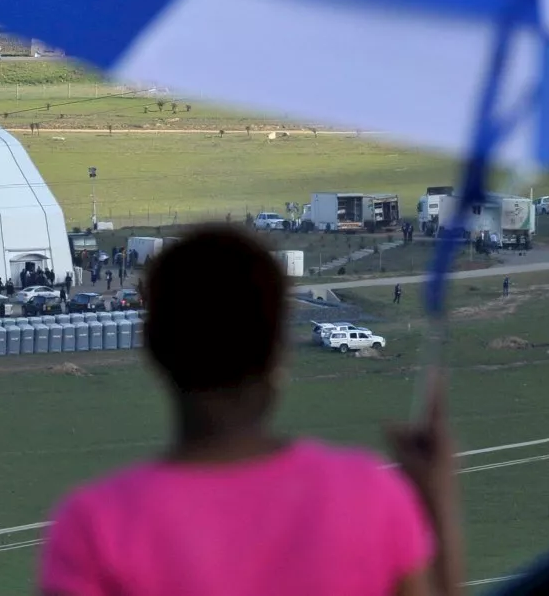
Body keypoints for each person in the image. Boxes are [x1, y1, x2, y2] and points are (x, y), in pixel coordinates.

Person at [39, 225, 461, 596]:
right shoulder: (371, 496)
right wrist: (436, 500)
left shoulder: (96, 526)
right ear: (280, 345)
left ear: (151, 345)